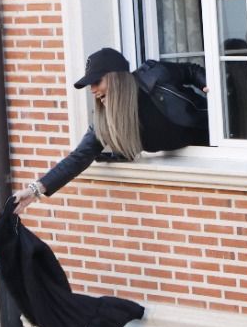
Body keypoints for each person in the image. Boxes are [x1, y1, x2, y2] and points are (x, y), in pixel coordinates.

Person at [13, 48, 208, 212]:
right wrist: (35, 190)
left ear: (116, 78)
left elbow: (190, 70)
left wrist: (208, 84)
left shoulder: (155, 75)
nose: (92, 89)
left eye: (97, 81)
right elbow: (79, 156)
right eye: (90, 84)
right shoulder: (107, 118)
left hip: (213, 140)